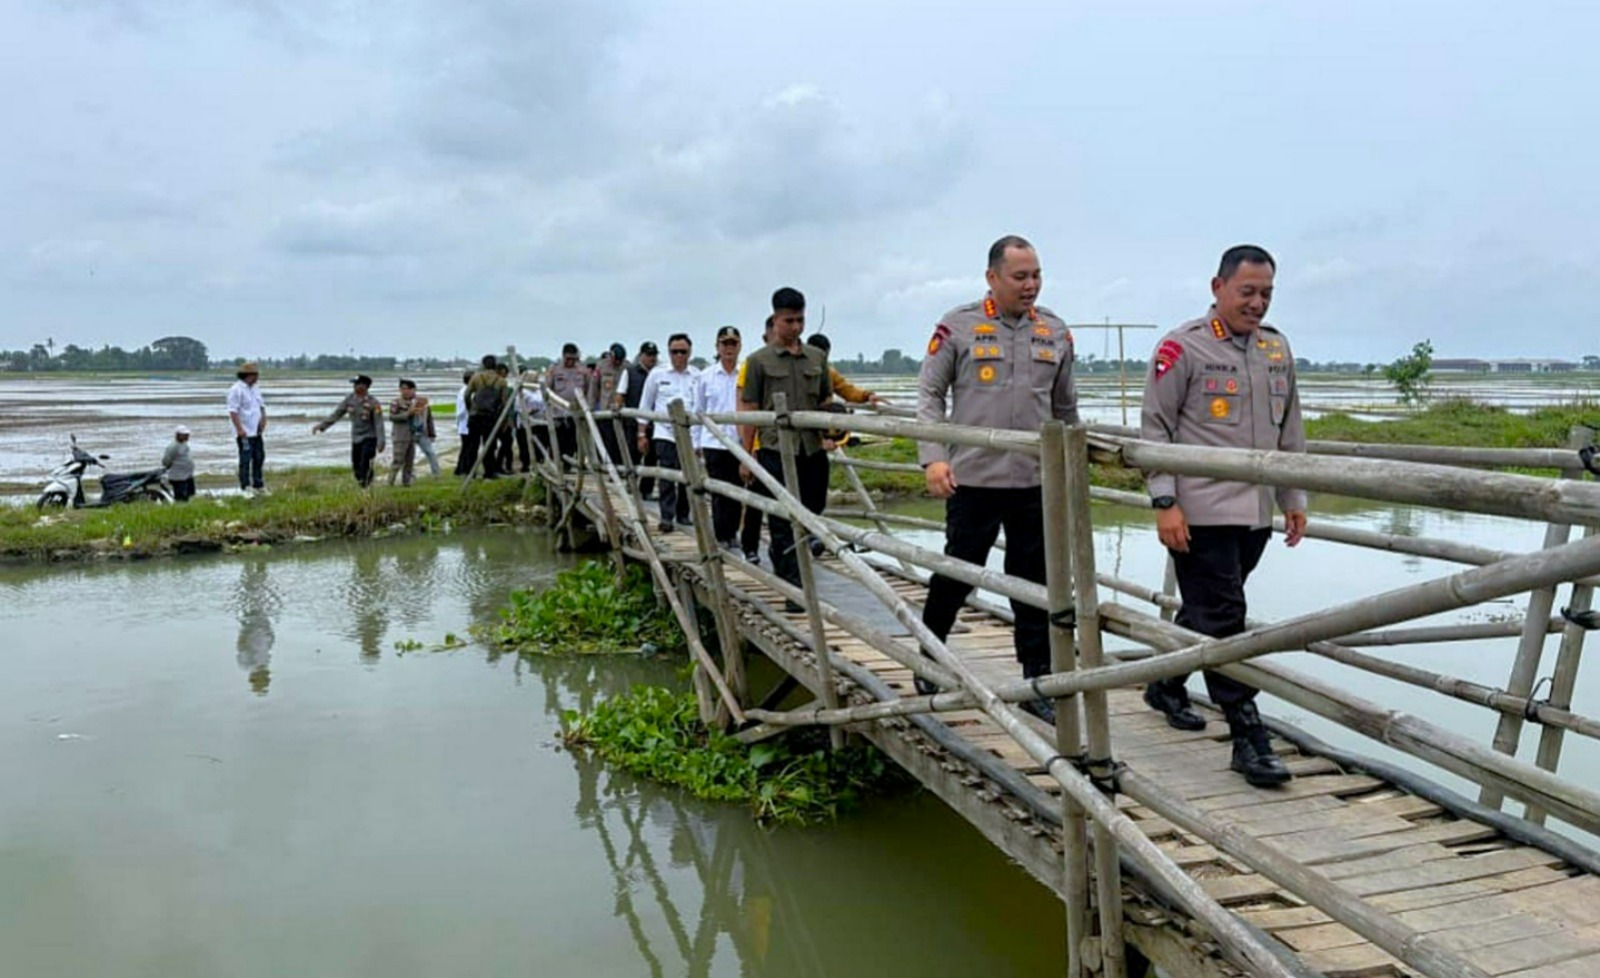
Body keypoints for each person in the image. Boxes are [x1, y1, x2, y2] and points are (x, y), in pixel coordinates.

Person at [1139, 244, 1306, 788]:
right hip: (1200, 513)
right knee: (1227, 616)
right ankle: (1247, 734)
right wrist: (1165, 502)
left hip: (1255, 513)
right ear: (1218, 288)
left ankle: (1165, 682)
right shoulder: (1181, 348)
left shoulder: (1276, 350)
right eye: (1247, 292)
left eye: (1266, 294)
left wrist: (1293, 498)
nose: (1256, 304)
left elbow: (1290, 432)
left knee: (1209, 611)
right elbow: (1155, 431)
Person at [915, 235, 1078, 724]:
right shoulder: (959, 327)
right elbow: (929, 394)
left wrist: (1071, 468)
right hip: (974, 480)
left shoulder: (1056, 331)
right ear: (992, 278)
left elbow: (1066, 408)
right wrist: (933, 459)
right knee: (958, 573)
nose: (1030, 286)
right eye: (1019, 276)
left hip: (1034, 482)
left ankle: (1036, 680)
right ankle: (929, 654)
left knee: (1035, 583)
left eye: (1036, 276)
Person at [740, 288, 831, 600]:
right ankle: (793, 588)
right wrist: (746, 456)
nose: (795, 327)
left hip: (812, 449)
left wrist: (831, 429)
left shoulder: (817, 358)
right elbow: (749, 410)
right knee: (781, 520)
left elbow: (826, 399)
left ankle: (794, 567)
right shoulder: (757, 362)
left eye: (800, 320)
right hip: (775, 450)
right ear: (775, 320)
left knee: (813, 510)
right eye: (789, 321)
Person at [638, 332, 701, 532]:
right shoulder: (657, 374)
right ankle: (667, 516)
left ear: (690, 352)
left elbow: (701, 408)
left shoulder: (697, 376)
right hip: (664, 432)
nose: (679, 356)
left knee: (687, 475)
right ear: (669, 352)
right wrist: (641, 434)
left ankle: (683, 514)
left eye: (683, 351)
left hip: (689, 434)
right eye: (675, 352)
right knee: (667, 473)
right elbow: (645, 405)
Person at [694, 325, 744, 547]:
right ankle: (721, 534)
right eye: (725, 344)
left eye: (733, 344)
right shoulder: (705, 376)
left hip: (738, 441)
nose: (729, 348)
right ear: (717, 346)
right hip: (713, 441)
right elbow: (698, 412)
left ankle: (732, 533)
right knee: (718, 491)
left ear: (739, 346)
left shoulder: (745, 375)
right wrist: (696, 442)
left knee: (736, 491)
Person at [737, 317, 778, 563]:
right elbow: (745, 407)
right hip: (760, 444)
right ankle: (750, 547)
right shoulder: (754, 364)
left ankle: (780, 549)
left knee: (781, 502)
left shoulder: (791, 363)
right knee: (755, 500)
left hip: (782, 445)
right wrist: (747, 448)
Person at [312, 374, 387, 487]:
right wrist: (322, 426)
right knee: (356, 465)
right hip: (356, 438)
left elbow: (379, 423)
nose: (354, 386)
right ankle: (363, 483)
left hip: (370, 437)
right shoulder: (349, 400)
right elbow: (337, 414)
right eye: (354, 384)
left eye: (357, 384)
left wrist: (381, 441)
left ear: (364, 386)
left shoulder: (373, 403)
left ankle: (367, 485)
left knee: (365, 461)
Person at [623, 341, 659, 498]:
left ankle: (646, 490)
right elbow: (620, 393)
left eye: (654, 355)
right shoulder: (630, 372)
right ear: (641, 355)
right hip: (634, 422)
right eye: (649, 355)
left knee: (652, 457)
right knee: (633, 454)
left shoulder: (659, 373)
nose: (652, 358)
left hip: (656, 422)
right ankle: (631, 483)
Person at [545, 343, 591, 462]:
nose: (570, 361)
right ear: (563, 356)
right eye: (568, 359)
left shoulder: (583, 371)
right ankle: (559, 466)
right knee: (559, 443)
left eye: (573, 359)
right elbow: (547, 390)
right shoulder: (554, 370)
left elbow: (589, 390)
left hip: (576, 413)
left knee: (574, 442)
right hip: (559, 414)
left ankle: (572, 465)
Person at [226, 361, 267, 495]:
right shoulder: (236, 390)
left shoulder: (255, 388)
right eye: (255, 374)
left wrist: (263, 419)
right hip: (244, 432)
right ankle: (245, 486)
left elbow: (261, 406)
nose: (257, 377)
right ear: (248, 375)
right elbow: (233, 411)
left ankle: (258, 484)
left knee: (259, 457)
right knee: (245, 459)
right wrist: (239, 429)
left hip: (256, 431)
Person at [464, 355, 507, 478]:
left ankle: (470, 472)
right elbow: (504, 403)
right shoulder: (501, 381)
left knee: (473, 445)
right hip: (490, 417)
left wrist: (470, 409)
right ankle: (489, 472)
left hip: (475, 415)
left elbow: (467, 395)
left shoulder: (476, 378)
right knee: (490, 445)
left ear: (483, 364)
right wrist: (501, 419)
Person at [596, 342, 630, 462]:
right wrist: (590, 407)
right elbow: (594, 388)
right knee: (607, 439)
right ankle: (607, 464)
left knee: (620, 440)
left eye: (620, 360)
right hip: (605, 409)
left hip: (621, 410)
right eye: (616, 360)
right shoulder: (601, 366)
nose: (617, 363)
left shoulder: (627, 367)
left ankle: (618, 464)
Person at [387, 379, 425, 487]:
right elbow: (392, 417)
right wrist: (408, 413)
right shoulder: (396, 402)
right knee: (398, 460)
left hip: (412, 435)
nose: (406, 391)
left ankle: (406, 483)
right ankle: (390, 482)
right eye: (403, 389)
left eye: (408, 389)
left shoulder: (416, 402)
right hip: (400, 436)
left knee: (409, 462)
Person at [162, 425, 196, 501]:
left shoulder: (184, 444)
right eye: (185, 435)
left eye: (187, 435)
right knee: (181, 497)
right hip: (178, 477)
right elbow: (166, 461)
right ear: (178, 435)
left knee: (188, 495)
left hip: (186, 475)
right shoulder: (173, 446)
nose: (187, 436)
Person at [453, 369, 473, 475]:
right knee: (467, 447)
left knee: (466, 447)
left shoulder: (464, 391)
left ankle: (461, 468)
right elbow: (462, 410)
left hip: (464, 423)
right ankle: (462, 468)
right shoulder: (466, 392)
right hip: (466, 423)